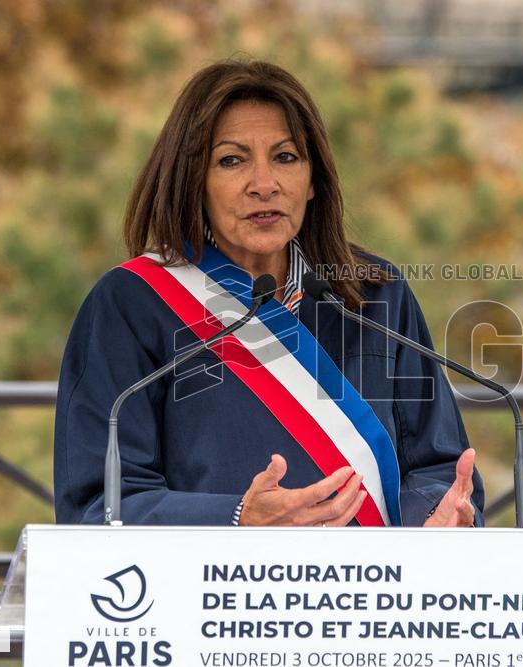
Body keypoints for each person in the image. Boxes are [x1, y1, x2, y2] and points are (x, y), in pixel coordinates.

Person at [53, 59, 484, 528]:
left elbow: (439, 466)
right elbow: (99, 506)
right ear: (192, 180)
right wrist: (237, 519)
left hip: (373, 596)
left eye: (285, 157)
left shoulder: (375, 295)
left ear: (314, 178)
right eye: (232, 161)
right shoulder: (132, 304)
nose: (264, 185)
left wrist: (438, 518)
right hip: (207, 597)